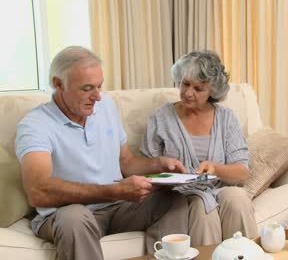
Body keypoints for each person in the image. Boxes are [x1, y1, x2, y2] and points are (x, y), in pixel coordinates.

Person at [15, 46, 189, 260]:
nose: (97, 96)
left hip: (117, 208)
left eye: (99, 86)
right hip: (68, 214)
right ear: (58, 84)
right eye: (87, 88)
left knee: (174, 200)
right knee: (74, 217)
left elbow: (126, 162)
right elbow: (37, 190)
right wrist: (114, 191)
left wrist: (159, 165)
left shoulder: (106, 105)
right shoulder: (35, 125)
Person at [140, 50, 257, 246]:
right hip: (179, 195)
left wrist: (216, 168)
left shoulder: (226, 118)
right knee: (202, 205)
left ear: (212, 91)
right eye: (185, 83)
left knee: (237, 196)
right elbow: (146, 169)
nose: (188, 92)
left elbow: (242, 173)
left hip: (220, 190)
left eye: (198, 88)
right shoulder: (161, 118)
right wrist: (163, 170)